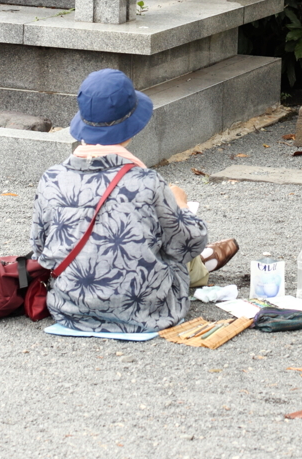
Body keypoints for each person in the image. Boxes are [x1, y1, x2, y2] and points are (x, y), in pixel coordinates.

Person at [30, 68, 238, 333]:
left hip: (71, 308)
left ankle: (203, 265)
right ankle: (202, 268)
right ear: (130, 129)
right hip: (148, 310)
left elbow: (40, 250)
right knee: (171, 241)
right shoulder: (147, 182)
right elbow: (189, 243)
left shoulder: (51, 178)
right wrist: (182, 205)